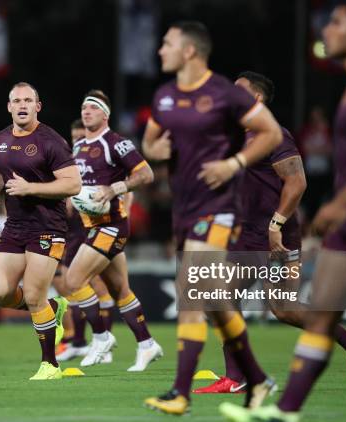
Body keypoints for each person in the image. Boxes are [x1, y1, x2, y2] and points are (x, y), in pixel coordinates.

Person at [220, 2, 346, 421]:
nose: (325, 29)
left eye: (336, 22)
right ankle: (272, 397)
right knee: (248, 302)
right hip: (329, 222)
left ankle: (344, 349)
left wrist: (331, 205)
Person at [193, 71, 346, 395]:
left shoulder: (273, 134)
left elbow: (297, 181)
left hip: (273, 232)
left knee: (283, 308)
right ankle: (237, 377)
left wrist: (275, 224)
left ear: (257, 99)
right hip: (243, 233)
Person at [141, 21, 283, 415]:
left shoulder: (224, 93)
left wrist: (234, 162)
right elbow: (149, 142)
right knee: (215, 299)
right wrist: (156, 149)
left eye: (166, 43)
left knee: (192, 287)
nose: (160, 50)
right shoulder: (165, 96)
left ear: (189, 51)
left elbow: (270, 132)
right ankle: (257, 379)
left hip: (219, 206)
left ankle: (181, 391)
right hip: (183, 209)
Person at [0, 82, 82, 380]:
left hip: (47, 226)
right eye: (17, 100)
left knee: (35, 293)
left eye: (29, 100)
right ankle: (52, 308)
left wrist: (31, 188)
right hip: (15, 226)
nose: (23, 105)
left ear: (38, 106)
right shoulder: (0, 139)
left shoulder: (51, 141)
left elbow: (73, 184)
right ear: (9, 106)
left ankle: (50, 365)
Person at [64, 90, 163, 371]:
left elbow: (146, 174)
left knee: (73, 280)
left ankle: (101, 336)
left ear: (105, 115)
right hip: (91, 226)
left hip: (112, 226)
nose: (86, 111)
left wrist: (114, 189)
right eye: (84, 107)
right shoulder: (79, 146)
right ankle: (147, 344)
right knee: (121, 290)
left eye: (92, 108)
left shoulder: (116, 143)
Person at [56, 119, 117, 363]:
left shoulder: (100, 157)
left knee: (96, 285)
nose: (78, 140)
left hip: (94, 228)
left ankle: (105, 343)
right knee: (69, 285)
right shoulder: (70, 160)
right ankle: (80, 341)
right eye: (75, 137)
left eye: (82, 135)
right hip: (72, 231)